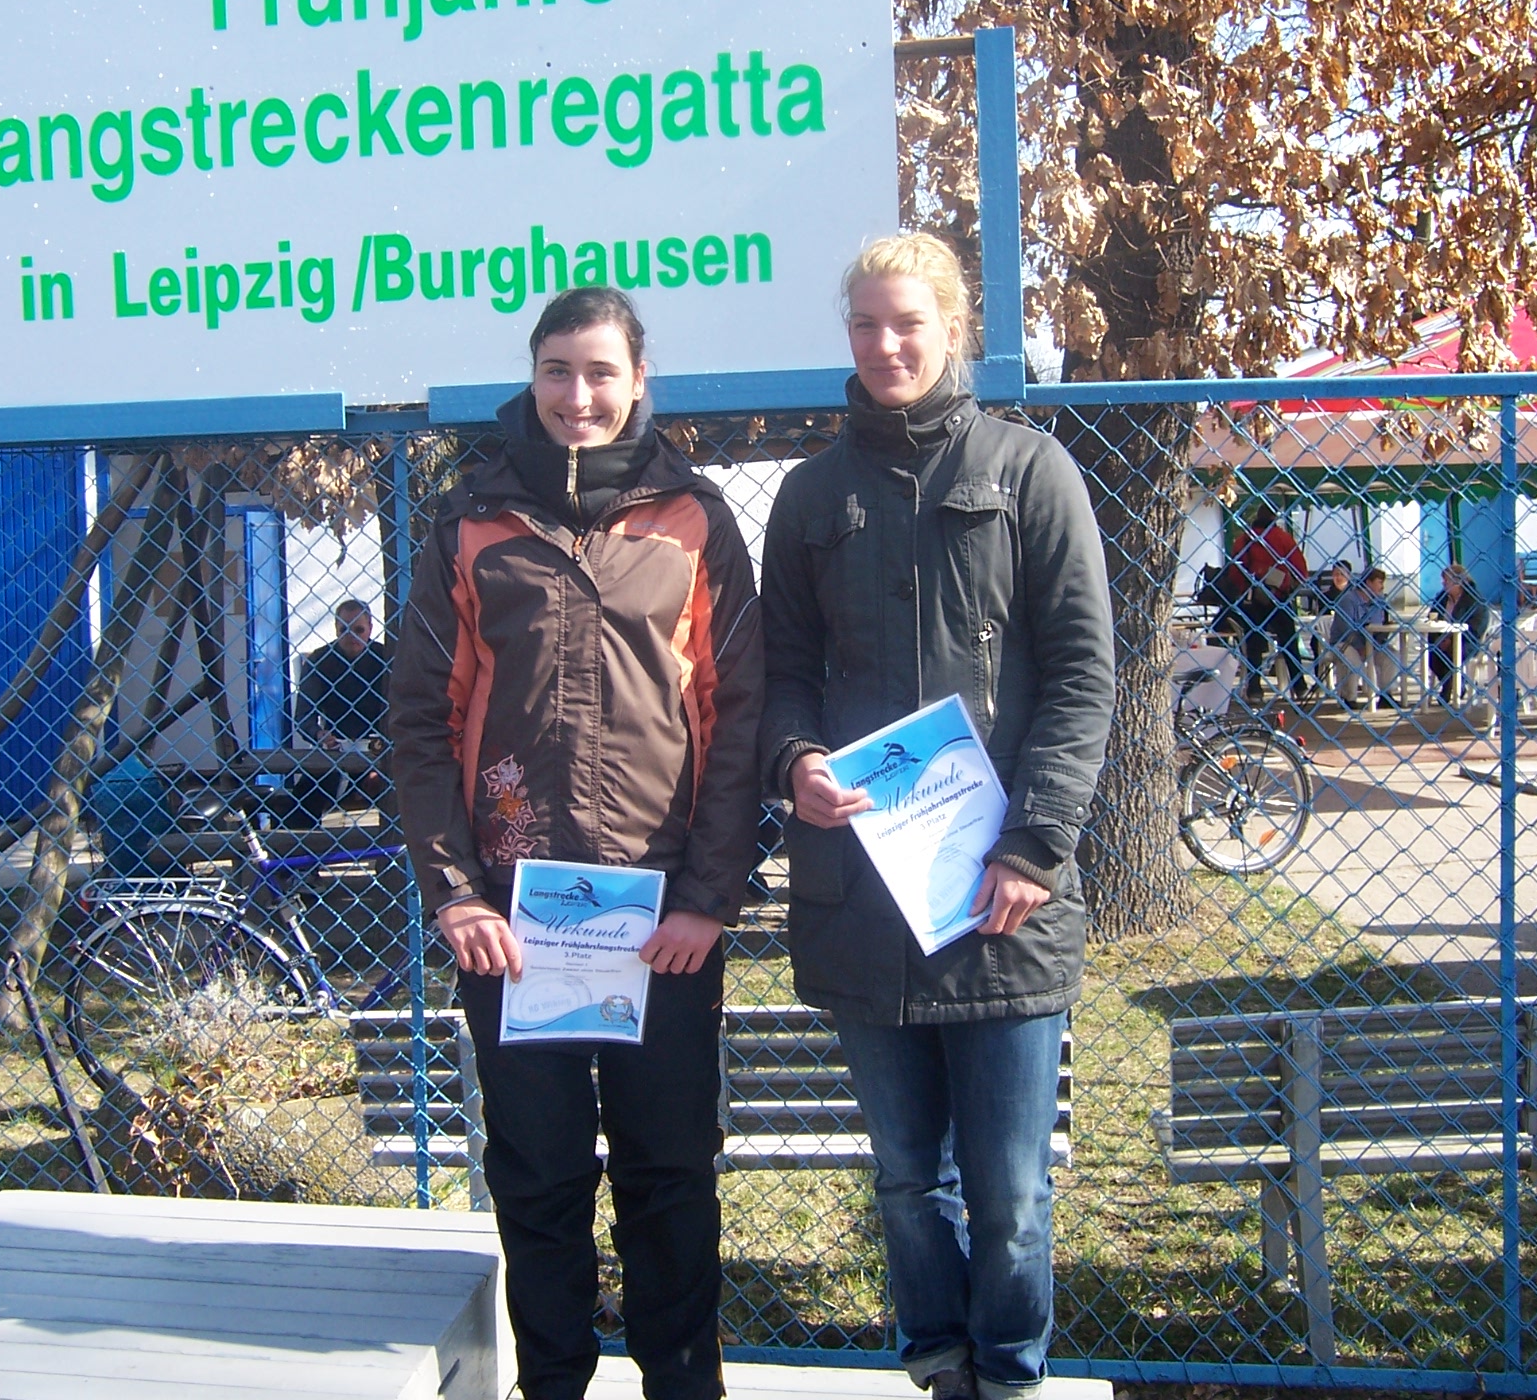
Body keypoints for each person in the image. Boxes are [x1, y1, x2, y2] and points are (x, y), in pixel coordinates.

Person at [389, 286, 762, 1400]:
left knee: (668, 1172)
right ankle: (552, 1383)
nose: (578, 395)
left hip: (662, 923)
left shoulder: (696, 521)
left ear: (638, 381)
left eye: (601, 372)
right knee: (539, 1175)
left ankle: (682, 1385)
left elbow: (736, 715)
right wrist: (457, 894)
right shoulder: (468, 524)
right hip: (515, 923)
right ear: (533, 377)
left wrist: (706, 897)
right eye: (557, 370)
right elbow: (420, 724)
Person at [760, 234, 1115, 1400]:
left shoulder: (1029, 471)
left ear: (952, 327)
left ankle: (1007, 1374)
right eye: (864, 324)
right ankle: (938, 1365)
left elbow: (1082, 677)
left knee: (1010, 1196)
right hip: (865, 900)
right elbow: (781, 675)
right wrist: (795, 763)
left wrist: (1035, 846)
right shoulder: (809, 496)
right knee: (908, 1181)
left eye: (906, 322)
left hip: (1001, 901)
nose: (884, 345)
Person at [295, 598, 393, 810]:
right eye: (344, 630)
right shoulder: (319, 661)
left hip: (380, 747)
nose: (352, 637)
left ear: (370, 628)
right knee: (305, 796)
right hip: (336, 747)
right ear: (336, 630)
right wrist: (318, 735)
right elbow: (303, 716)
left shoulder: (386, 658)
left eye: (359, 630)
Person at [1232, 504, 1312, 702]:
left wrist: (1245, 587)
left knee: (1254, 645)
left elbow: (1234, 572)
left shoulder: (1244, 540)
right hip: (1279, 597)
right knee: (1289, 643)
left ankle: (1254, 689)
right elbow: (1300, 569)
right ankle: (1299, 686)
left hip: (1252, 599)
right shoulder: (1283, 538)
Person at [1327, 566, 1391, 709]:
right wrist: (1361, 647)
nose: (1382, 587)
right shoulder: (1348, 600)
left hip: (1371, 643)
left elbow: (1380, 626)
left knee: (1391, 655)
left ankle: (1387, 695)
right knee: (1353, 659)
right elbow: (1346, 629)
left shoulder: (1379, 601)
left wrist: (1378, 642)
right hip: (1345, 643)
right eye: (1379, 582)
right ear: (1368, 583)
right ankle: (1348, 698)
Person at [1426, 562, 1490, 702]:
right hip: (1442, 638)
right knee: (1432, 655)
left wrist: (1452, 639)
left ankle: (1450, 687)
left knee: (1453, 653)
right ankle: (1455, 684)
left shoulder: (1474, 599)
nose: (1443, 583)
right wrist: (1440, 638)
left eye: (1447, 580)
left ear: (1459, 582)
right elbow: (1432, 617)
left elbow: (1476, 627)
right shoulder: (1442, 598)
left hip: (1467, 640)